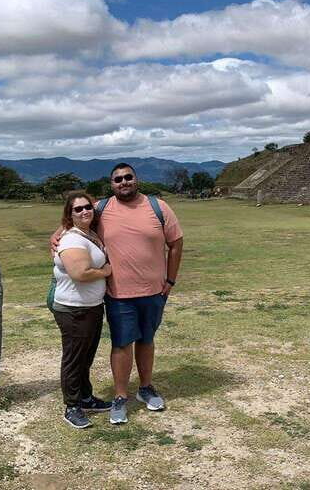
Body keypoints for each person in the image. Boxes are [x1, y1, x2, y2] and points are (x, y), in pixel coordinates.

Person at [51, 163, 184, 425]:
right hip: (119, 292)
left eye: (128, 177)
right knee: (122, 343)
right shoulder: (101, 208)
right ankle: (121, 396)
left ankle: (146, 387)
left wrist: (170, 279)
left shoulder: (158, 207)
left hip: (153, 290)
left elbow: (176, 243)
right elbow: (72, 223)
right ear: (111, 184)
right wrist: (55, 237)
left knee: (147, 339)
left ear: (136, 179)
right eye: (117, 179)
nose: (123, 182)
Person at [52, 191, 113, 429]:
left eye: (88, 207)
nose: (85, 211)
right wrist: (106, 272)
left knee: (85, 357)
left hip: (91, 306)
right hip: (74, 308)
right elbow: (80, 274)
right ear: (70, 214)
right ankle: (72, 406)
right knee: (74, 358)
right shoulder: (71, 239)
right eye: (78, 209)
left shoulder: (87, 234)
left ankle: (85, 397)